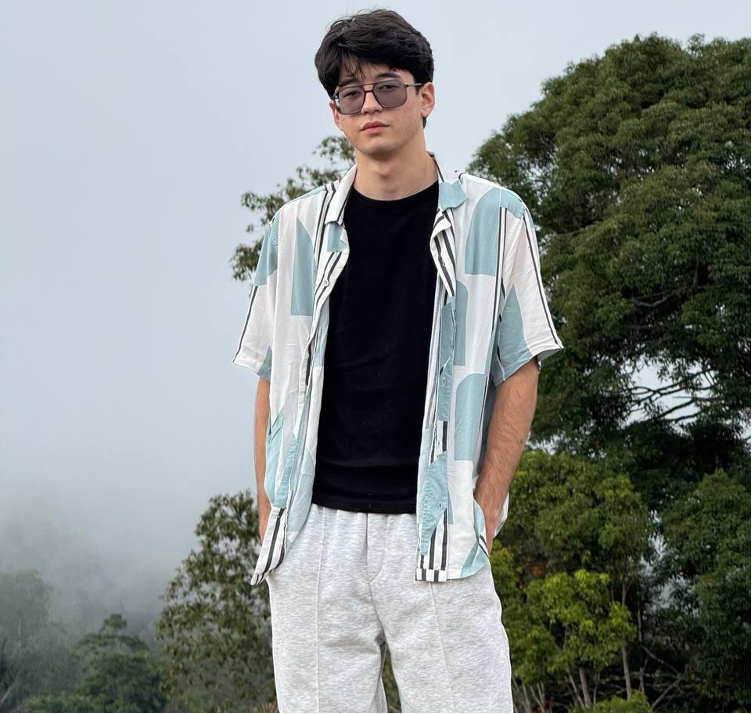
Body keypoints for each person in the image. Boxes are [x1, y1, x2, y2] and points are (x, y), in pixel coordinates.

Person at [232, 8, 563, 712]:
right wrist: (270, 512)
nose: (370, 106)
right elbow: (270, 377)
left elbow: (520, 366)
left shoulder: (495, 217)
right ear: (335, 113)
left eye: (388, 86)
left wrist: (485, 508)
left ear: (426, 96)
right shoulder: (293, 231)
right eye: (351, 94)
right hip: (313, 530)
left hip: (437, 522)